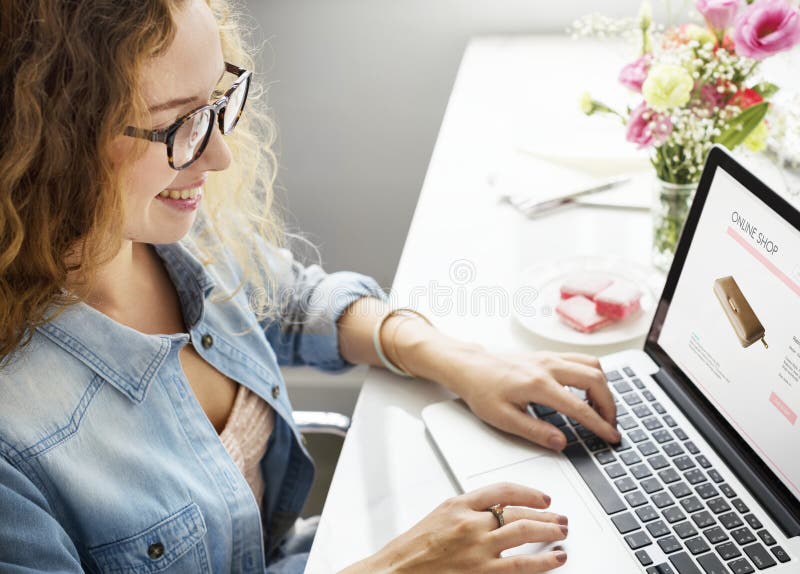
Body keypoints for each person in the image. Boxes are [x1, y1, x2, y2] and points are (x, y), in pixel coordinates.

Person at [0, 1, 622, 572]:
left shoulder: (163, 226)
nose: (218, 155)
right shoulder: (14, 446)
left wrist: (458, 360)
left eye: (217, 101)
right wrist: (400, 566)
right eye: (178, 125)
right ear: (50, 139)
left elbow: (291, 299)